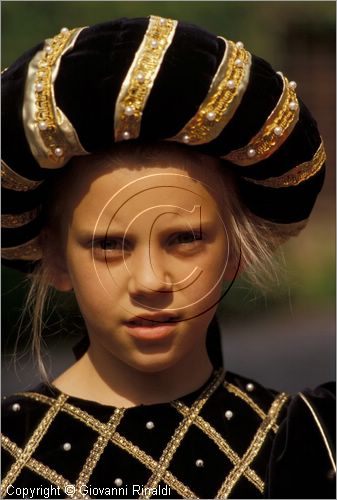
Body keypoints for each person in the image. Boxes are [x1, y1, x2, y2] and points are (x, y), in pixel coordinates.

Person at [1, 15, 335, 499]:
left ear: (237, 250)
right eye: (109, 246)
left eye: (184, 239)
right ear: (55, 257)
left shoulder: (313, 444)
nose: (151, 281)